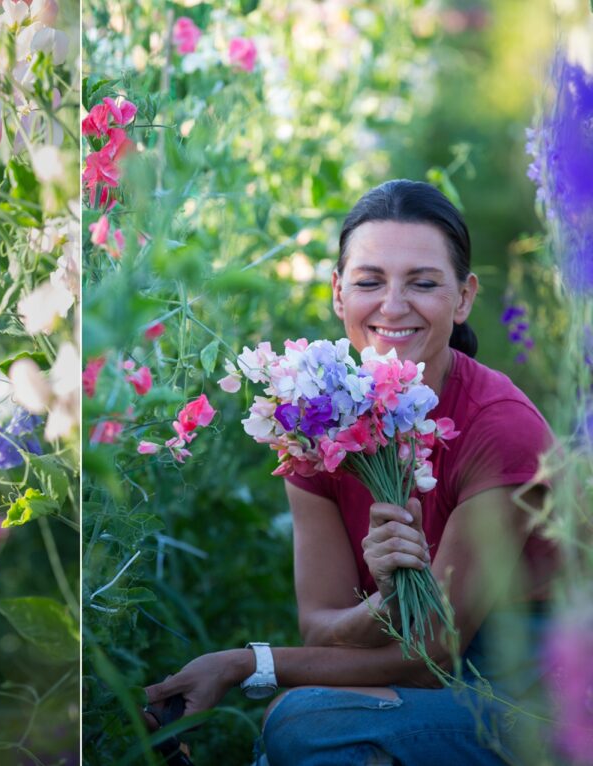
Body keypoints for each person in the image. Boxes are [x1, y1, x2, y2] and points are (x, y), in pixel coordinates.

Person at [143, 180, 558, 765]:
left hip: (537, 697)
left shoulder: (499, 427)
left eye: (423, 282)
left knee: (304, 723)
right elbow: (320, 625)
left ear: (463, 298)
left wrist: (245, 664)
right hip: (439, 677)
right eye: (369, 282)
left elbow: (432, 657)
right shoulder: (314, 425)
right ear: (338, 294)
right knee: (309, 721)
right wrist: (384, 604)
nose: (392, 306)